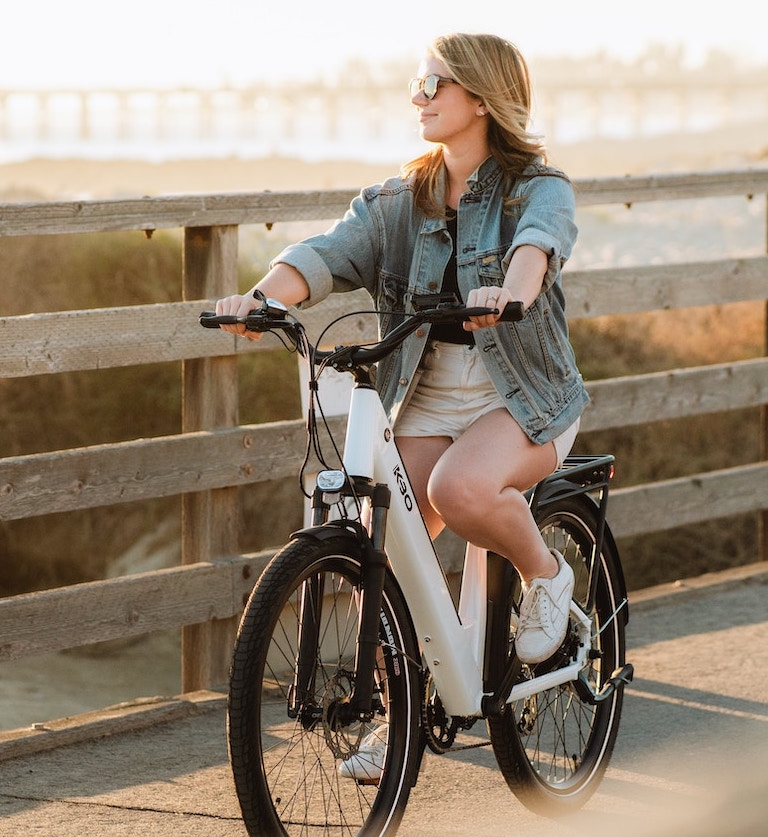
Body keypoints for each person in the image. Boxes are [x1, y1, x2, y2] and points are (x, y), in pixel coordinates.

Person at [212, 33, 586, 780]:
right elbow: (324, 255)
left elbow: (536, 248)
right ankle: (401, 711)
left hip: (522, 401)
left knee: (459, 489)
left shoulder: (536, 188)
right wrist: (262, 299)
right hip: (422, 399)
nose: (418, 97)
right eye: (417, 83)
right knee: (374, 536)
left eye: (433, 84)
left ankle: (546, 575)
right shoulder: (398, 201)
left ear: (480, 97)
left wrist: (511, 292)